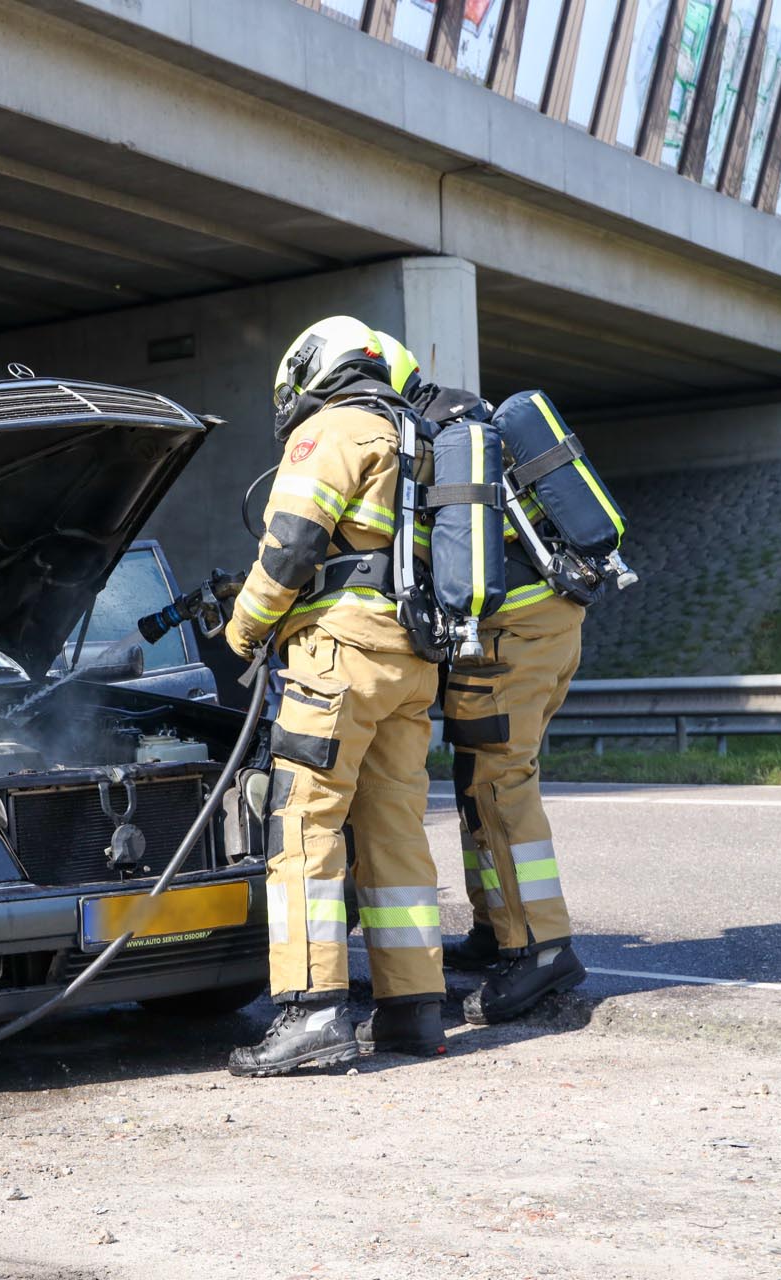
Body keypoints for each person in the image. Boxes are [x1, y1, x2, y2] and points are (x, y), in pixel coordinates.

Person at [223, 316, 448, 1078]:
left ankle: (313, 1012)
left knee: (304, 827)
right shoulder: (417, 435)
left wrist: (243, 630)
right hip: (411, 661)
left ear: (310, 370)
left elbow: (291, 543)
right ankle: (414, 1009)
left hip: (339, 653)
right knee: (395, 832)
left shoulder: (337, 427)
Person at [375, 331, 588, 1024]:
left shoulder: (425, 438)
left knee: (499, 785)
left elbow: (415, 553)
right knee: (481, 782)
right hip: (549, 624)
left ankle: (543, 949)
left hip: (507, 638)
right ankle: (498, 928)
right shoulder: (472, 416)